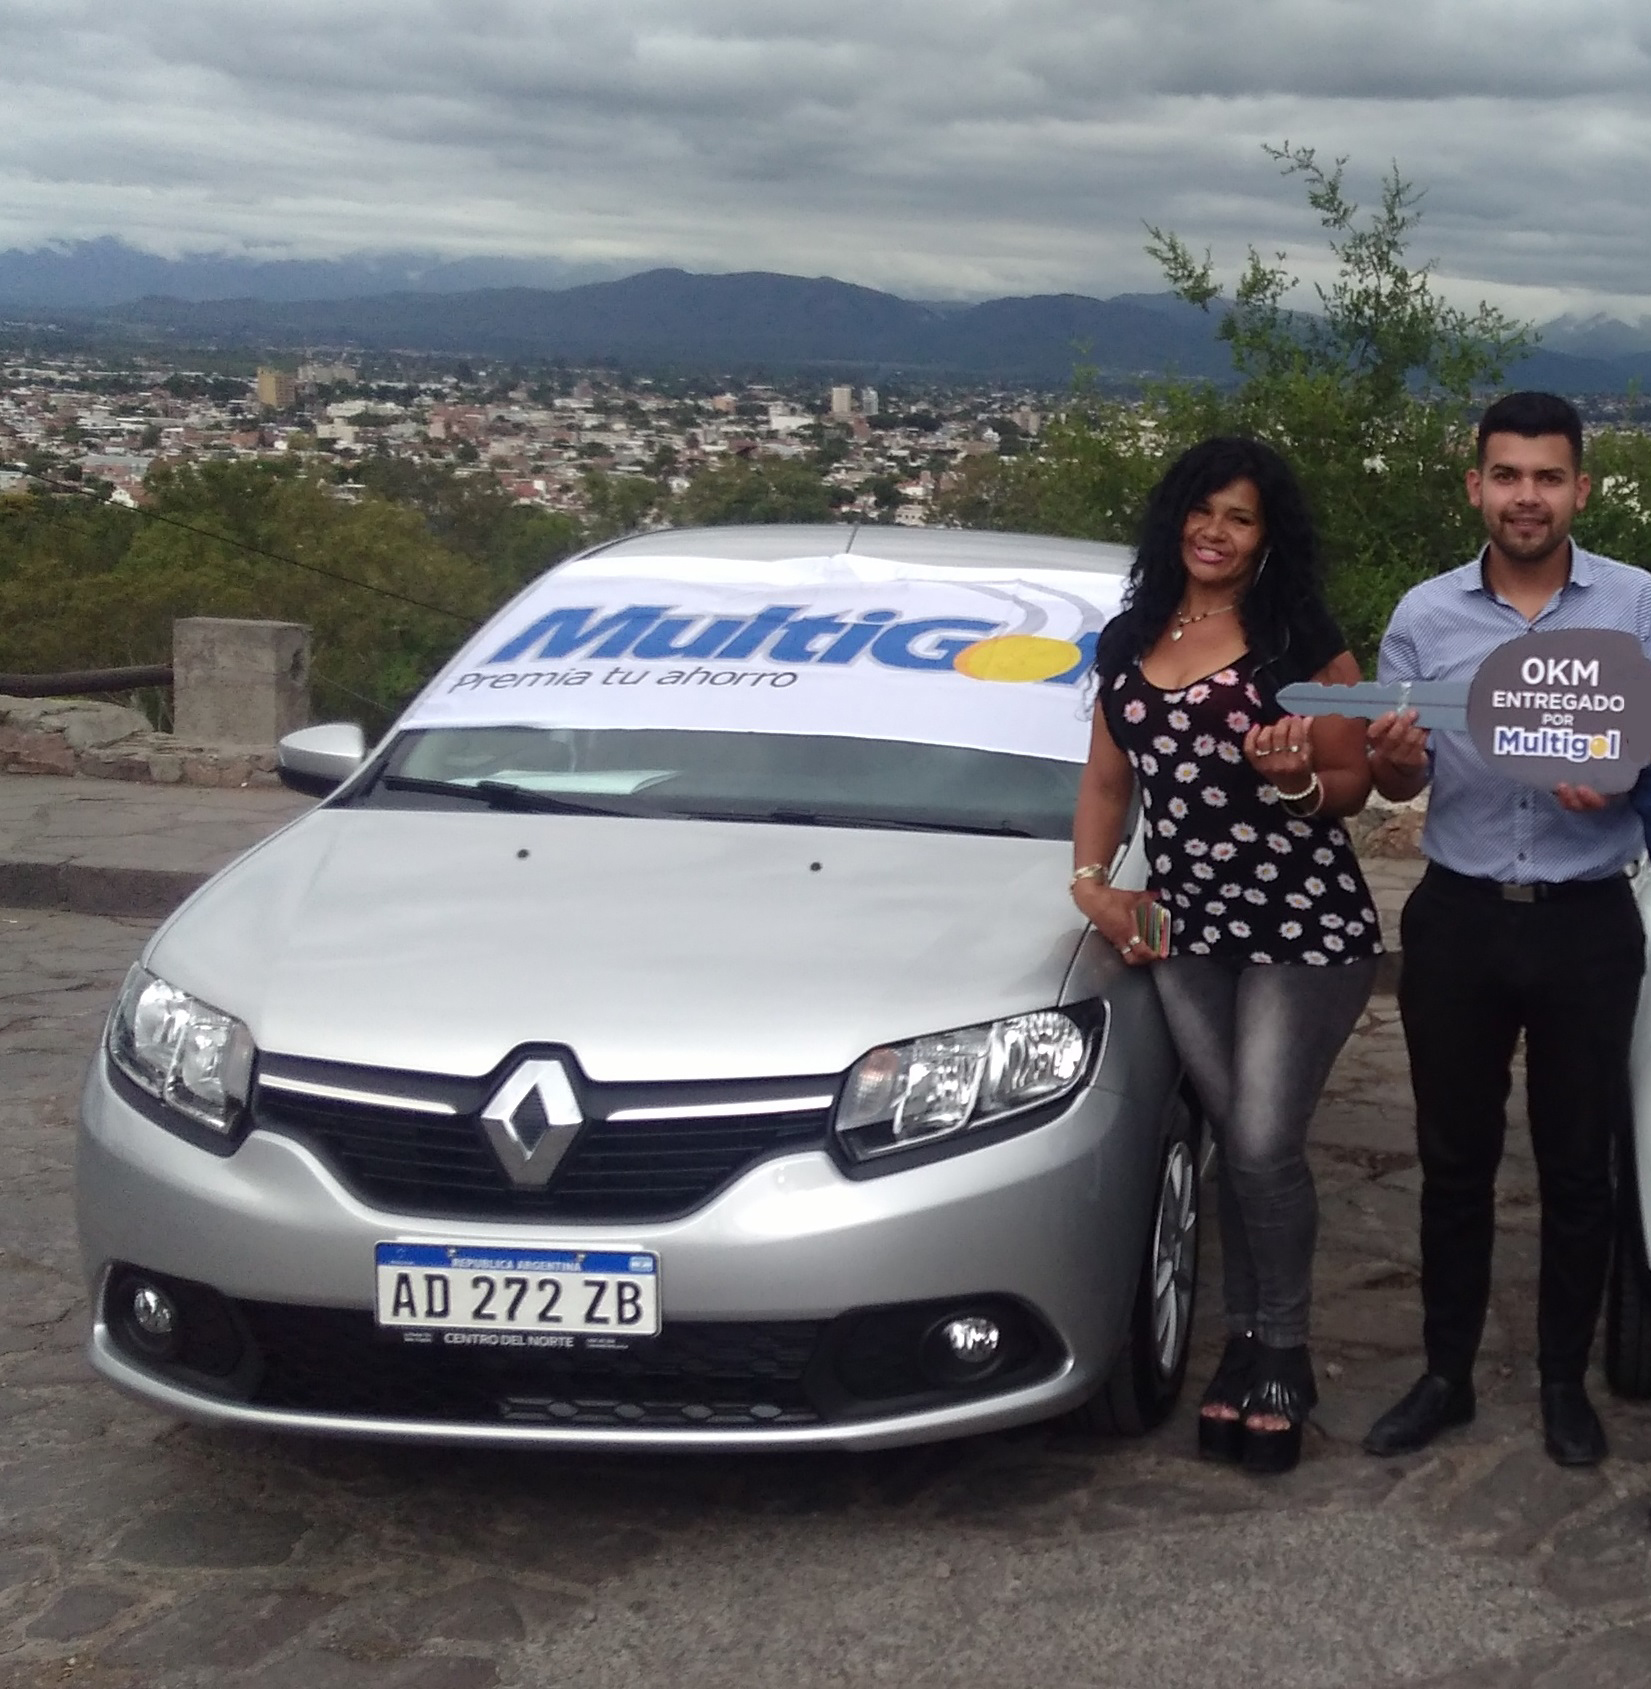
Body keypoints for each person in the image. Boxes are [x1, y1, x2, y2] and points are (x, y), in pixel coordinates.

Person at [1071, 436, 1380, 1473]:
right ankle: (1242, 1347)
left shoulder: (1297, 638)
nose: (1215, 531)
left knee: (1259, 1143)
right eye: (1202, 511)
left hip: (1304, 925)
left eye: (1239, 517)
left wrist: (1295, 781)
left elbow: (1353, 783)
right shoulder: (1129, 636)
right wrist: (1091, 883)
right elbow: (1106, 779)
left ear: (1265, 535)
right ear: (1176, 519)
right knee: (1240, 1148)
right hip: (1183, 930)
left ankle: (1282, 1351)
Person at [1363, 390, 1651, 1468]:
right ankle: (1444, 1374)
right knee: (1452, 1160)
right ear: (1475, 485)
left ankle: (1561, 1382)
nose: (1525, 496)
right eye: (1506, 475)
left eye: (1546, 477)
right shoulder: (1423, 615)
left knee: (1578, 1166)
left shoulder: (1637, 607)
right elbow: (1401, 777)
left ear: (1580, 488)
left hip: (1587, 922)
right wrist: (1393, 759)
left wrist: (1625, 779)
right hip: (1459, 919)